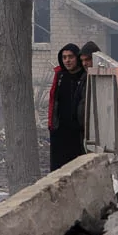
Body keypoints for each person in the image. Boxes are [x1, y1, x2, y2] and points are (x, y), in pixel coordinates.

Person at [46, 43, 86, 171]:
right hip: (60, 131)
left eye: (70, 57)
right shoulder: (60, 76)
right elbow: (54, 102)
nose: (67, 60)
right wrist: (52, 126)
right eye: (64, 57)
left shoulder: (84, 77)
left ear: (77, 58)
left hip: (77, 132)